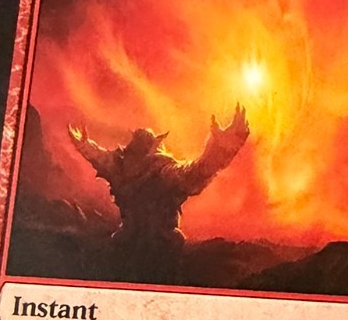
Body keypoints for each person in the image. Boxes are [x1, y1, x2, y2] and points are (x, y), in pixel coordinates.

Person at [68, 105, 249, 282]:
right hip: (140, 245)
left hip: (156, 247)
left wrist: (220, 149)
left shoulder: (147, 169)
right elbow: (194, 172)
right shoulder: (124, 166)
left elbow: (194, 172)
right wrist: (221, 148)